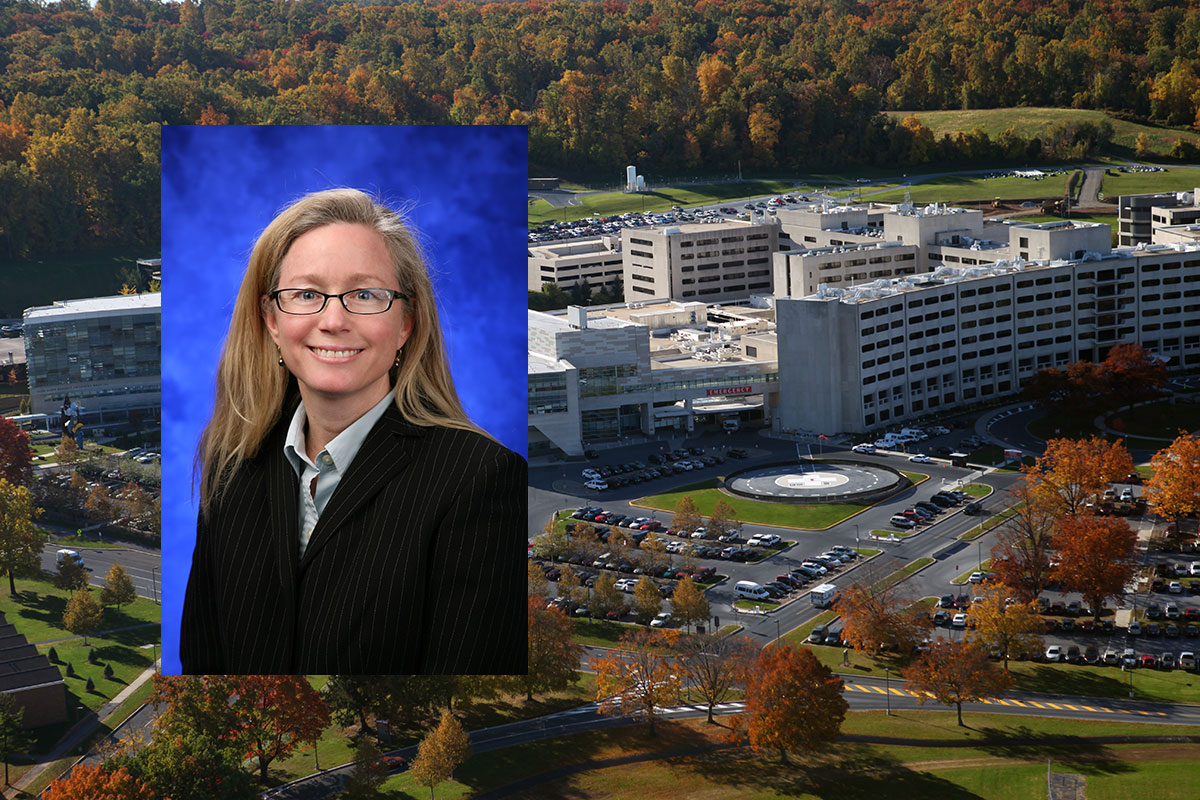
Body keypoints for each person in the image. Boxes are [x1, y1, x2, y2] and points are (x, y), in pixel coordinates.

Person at [180, 188, 527, 675]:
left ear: (406, 323)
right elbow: (203, 665)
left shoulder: (479, 480)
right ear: (271, 320)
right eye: (306, 294)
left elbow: (460, 702)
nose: (334, 320)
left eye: (365, 294)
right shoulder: (231, 463)